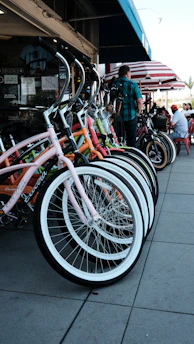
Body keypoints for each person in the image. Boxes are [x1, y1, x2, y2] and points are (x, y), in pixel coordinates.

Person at [114, 65, 143, 147]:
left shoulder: (114, 83)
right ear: (127, 73)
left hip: (116, 117)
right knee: (131, 141)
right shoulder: (132, 84)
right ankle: (131, 157)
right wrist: (139, 112)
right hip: (131, 116)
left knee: (117, 141)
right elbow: (140, 101)